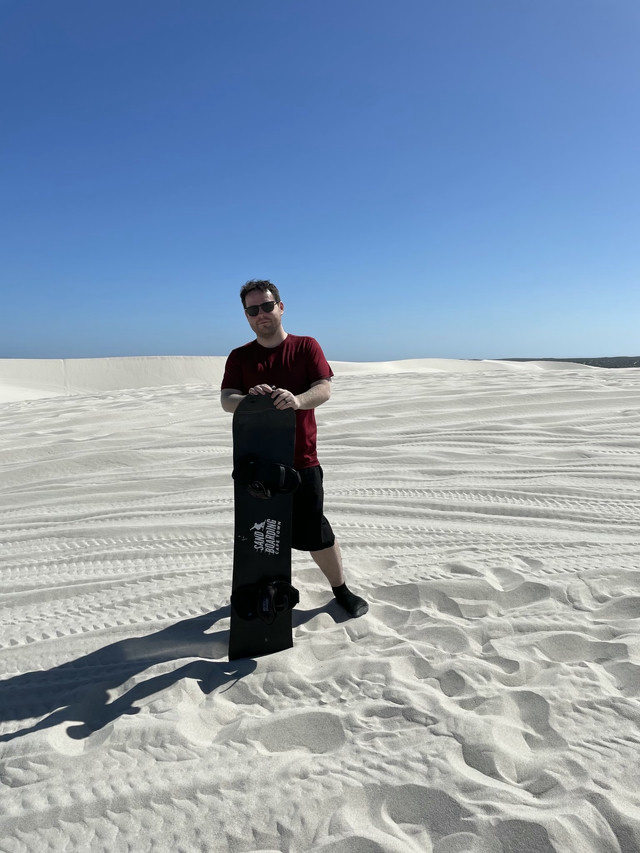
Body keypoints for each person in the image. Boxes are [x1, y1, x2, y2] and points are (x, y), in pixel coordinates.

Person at [221, 279, 368, 619]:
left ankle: (340, 590)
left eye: (267, 306)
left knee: (316, 532)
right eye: (252, 309)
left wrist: (296, 400)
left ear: (281, 307)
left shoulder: (305, 347)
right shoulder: (241, 357)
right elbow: (227, 400)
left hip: (301, 461)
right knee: (261, 536)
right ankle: (257, 595)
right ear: (246, 315)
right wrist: (249, 401)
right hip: (257, 464)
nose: (261, 314)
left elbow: (324, 389)